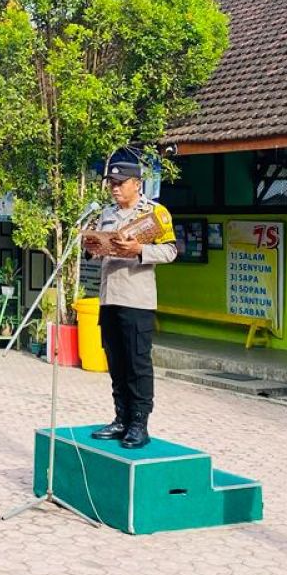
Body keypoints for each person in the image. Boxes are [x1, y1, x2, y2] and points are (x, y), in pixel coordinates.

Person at [83, 156, 176, 450]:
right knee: (116, 362)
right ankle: (121, 418)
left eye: (120, 183)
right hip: (109, 297)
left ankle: (139, 423)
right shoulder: (107, 213)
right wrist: (91, 248)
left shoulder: (155, 213)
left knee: (137, 363)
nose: (114, 189)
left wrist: (139, 249)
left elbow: (171, 251)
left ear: (137, 184)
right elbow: (98, 250)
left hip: (137, 299)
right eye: (111, 183)